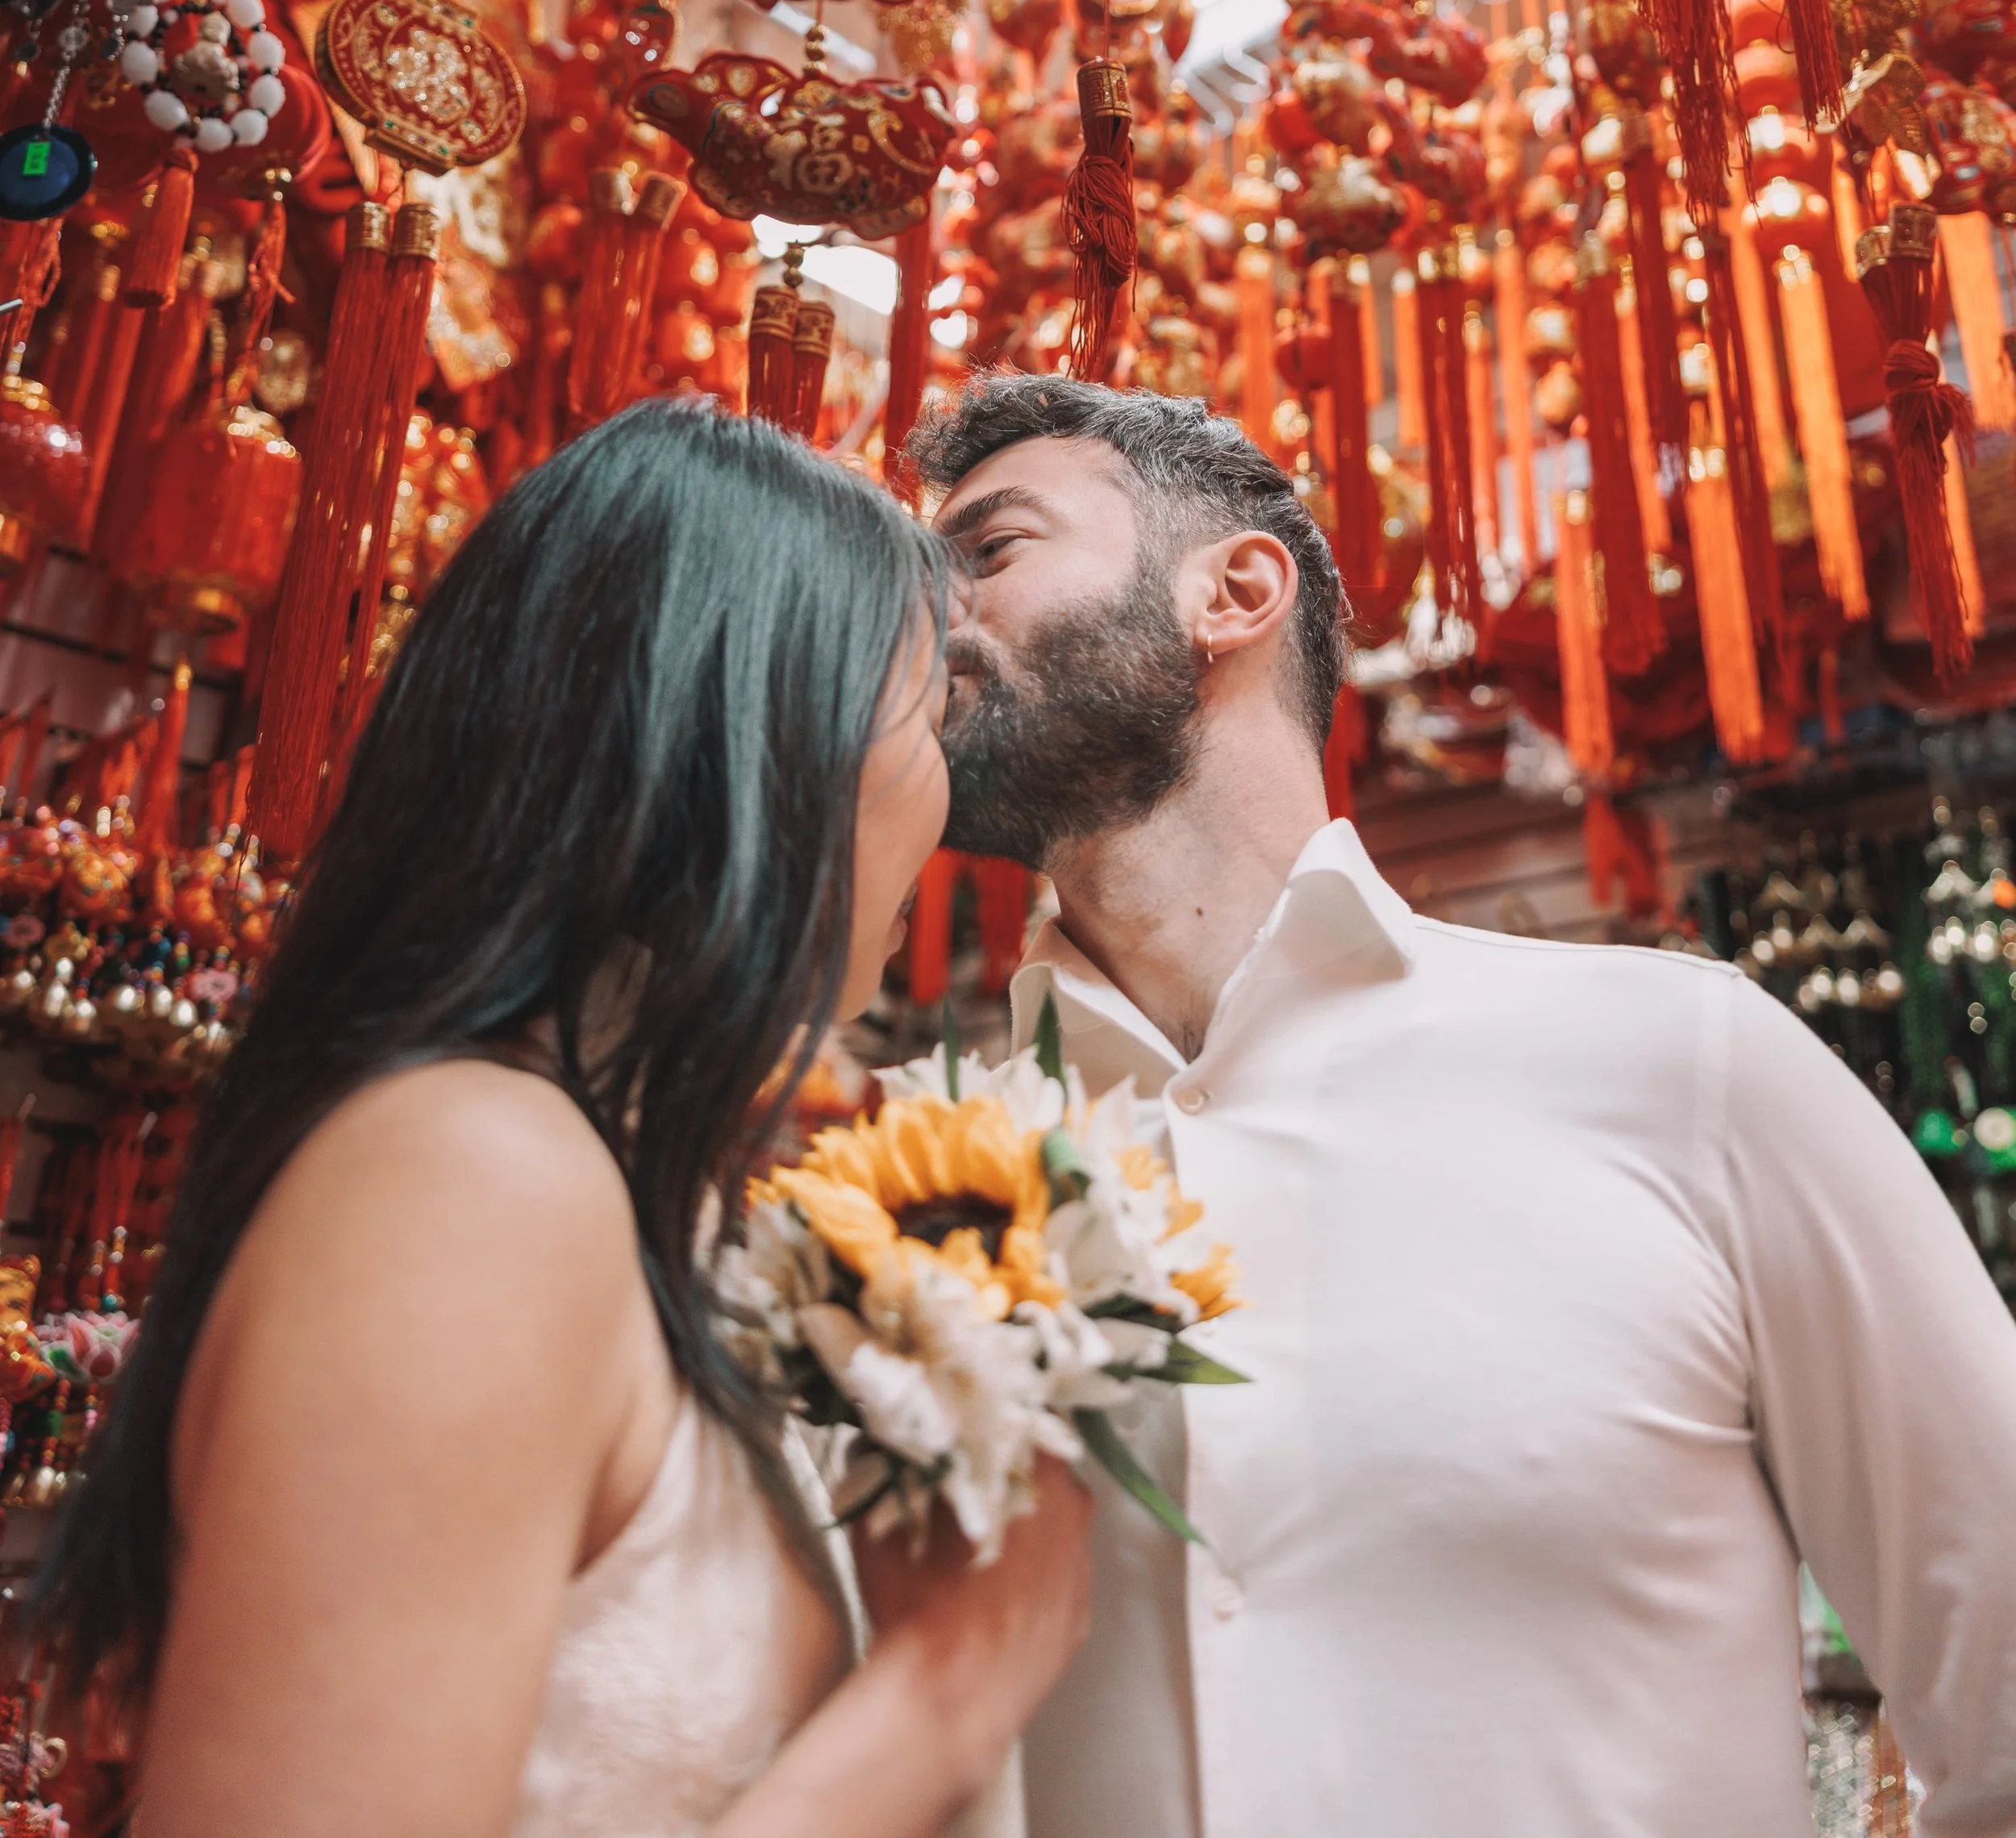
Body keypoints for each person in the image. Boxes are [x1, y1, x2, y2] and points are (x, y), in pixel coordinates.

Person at [907, 372, 2016, 1838]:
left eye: (987, 553)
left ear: (1233, 592)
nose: (927, 625)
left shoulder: (1683, 1068)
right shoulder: (917, 1192)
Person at [41, 401, 1090, 1838]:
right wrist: (946, 1697)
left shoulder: (605, 1189)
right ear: (750, 738)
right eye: (924, 719)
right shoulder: (477, 1178)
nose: (942, 785)